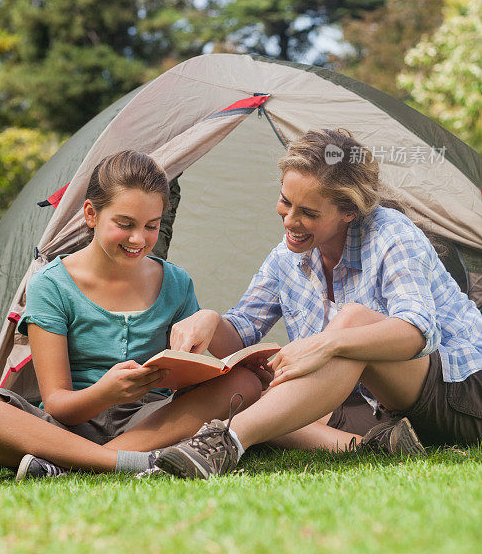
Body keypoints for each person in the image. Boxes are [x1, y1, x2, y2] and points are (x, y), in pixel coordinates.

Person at [153, 129, 482, 479]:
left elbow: (418, 332)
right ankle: (375, 446)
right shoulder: (287, 257)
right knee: (259, 396)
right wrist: (209, 321)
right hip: (382, 412)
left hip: (463, 392)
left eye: (308, 212)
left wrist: (322, 344)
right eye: (285, 202)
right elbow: (242, 332)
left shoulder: (390, 233)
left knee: (353, 320)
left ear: (349, 212)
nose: (291, 221)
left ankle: (223, 442)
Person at [0, 151, 261, 480]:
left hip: (151, 421)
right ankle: (129, 462)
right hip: (66, 427)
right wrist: (106, 393)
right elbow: (57, 404)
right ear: (91, 214)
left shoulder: (176, 282)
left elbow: (201, 369)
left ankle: (68, 465)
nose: (138, 239)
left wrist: (202, 345)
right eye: (124, 224)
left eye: (151, 226)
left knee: (245, 383)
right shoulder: (51, 284)